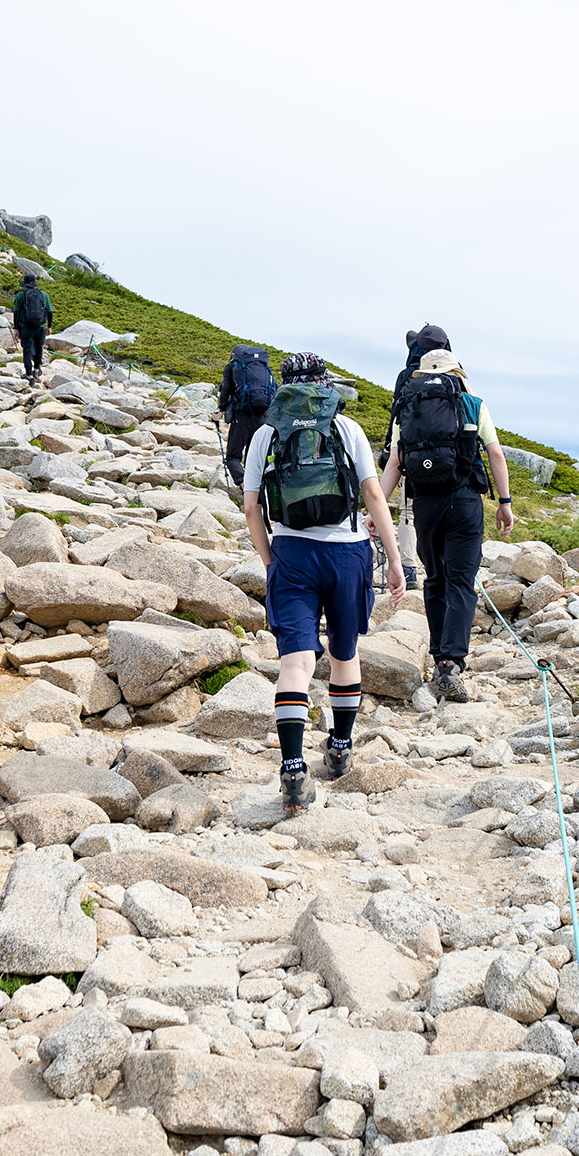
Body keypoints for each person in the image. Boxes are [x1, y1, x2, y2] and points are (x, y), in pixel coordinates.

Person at [244, 352, 406, 812]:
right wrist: (394, 560)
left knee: (295, 663)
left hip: (292, 554)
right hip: (348, 553)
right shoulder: (346, 427)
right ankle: (339, 747)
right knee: (344, 651)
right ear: (323, 384)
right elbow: (374, 494)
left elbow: (252, 508)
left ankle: (293, 768)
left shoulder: (265, 433)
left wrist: (271, 559)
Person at [379, 347, 514, 703]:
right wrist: (505, 502)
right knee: (461, 583)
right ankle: (452, 665)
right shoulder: (473, 404)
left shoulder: (407, 408)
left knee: (435, 579)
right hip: (465, 501)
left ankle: (439, 656)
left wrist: (374, 510)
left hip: (424, 504)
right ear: (457, 372)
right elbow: (496, 454)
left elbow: (395, 462)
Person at [383, 324, 451, 590]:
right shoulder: (453, 372)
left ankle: (409, 569)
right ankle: (445, 565)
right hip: (448, 458)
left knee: (409, 512)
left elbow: (396, 415)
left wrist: (390, 449)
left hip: (411, 453)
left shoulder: (406, 375)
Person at [216, 343, 276, 485]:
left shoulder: (232, 366)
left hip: (242, 415)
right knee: (254, 456)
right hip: (263, 416)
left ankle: (244, 484)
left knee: (232, 457)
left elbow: (226, 389)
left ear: (233, 355)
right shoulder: (262, 368)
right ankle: (258, 489)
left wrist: (221, 410)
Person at [12, 268, 52, 381]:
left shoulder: (20, 295)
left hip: (26, 327)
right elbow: (49, 311)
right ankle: (36, 370)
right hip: (41, 327)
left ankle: (29, 375)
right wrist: (49, 326)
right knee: (39, 349)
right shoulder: (43, 295)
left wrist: (16, 328)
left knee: (27, 351)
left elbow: (16, 312)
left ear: (25, 284)